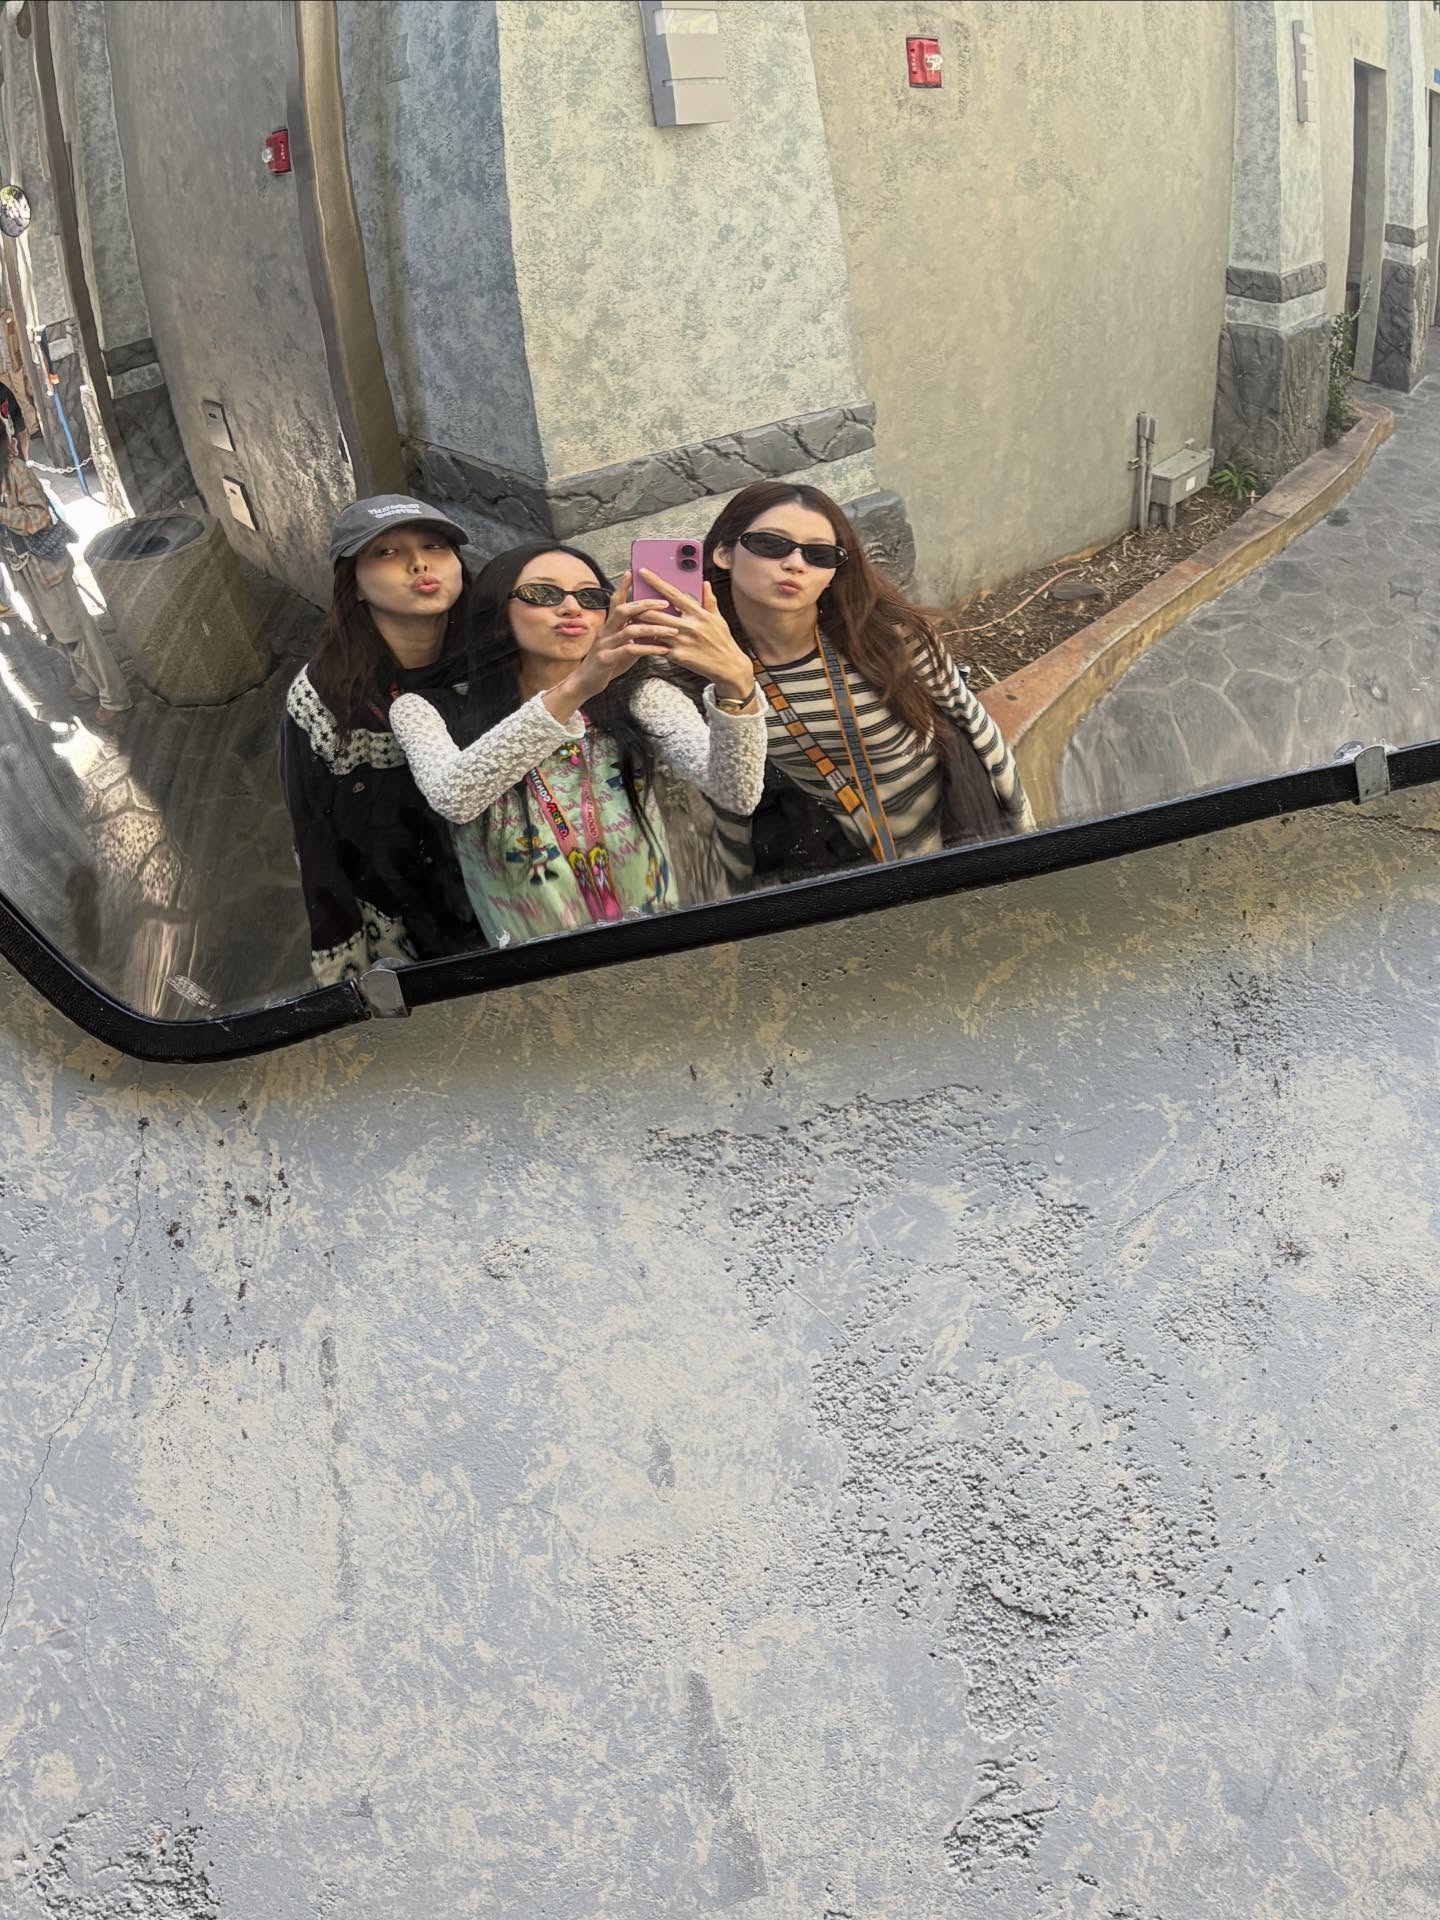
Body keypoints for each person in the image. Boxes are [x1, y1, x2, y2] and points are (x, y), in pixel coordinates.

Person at [385, 542, 768, 946]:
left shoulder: (642, 696)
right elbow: (455, 797)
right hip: (537, 966)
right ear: (495, 609)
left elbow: (736, 793)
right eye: (543, 593)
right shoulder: (424, 710)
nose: (571, 608)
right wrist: (579, 686)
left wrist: (737, 686)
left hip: (665, 947)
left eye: (590, 597)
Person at [695, 481, 1033, 887]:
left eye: (819, 554)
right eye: (771, 544)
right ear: (724, 553)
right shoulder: (712, 670)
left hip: (955, 842)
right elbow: (730, 803)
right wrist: (739, 898)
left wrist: (1028, 840)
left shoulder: (888, 636)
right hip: (847, 866)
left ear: (833, 573)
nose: (795, 564)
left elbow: (974, 723)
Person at [280, 495, 483, 985]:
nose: (419, 563)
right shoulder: (324, 698)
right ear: (353, 584)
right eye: (386, 552)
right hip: (400, 911)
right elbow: (314, 835)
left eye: (434, 546)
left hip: (509, 892)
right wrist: (346, 967)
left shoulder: (498, 656)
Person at [0, 427, 130, 725]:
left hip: (47, 567)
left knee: (76, 633)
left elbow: (39, 517)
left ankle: (115, 696)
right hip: (23, 571)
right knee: (51, 632)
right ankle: (87, 682)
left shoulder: (16, 471)